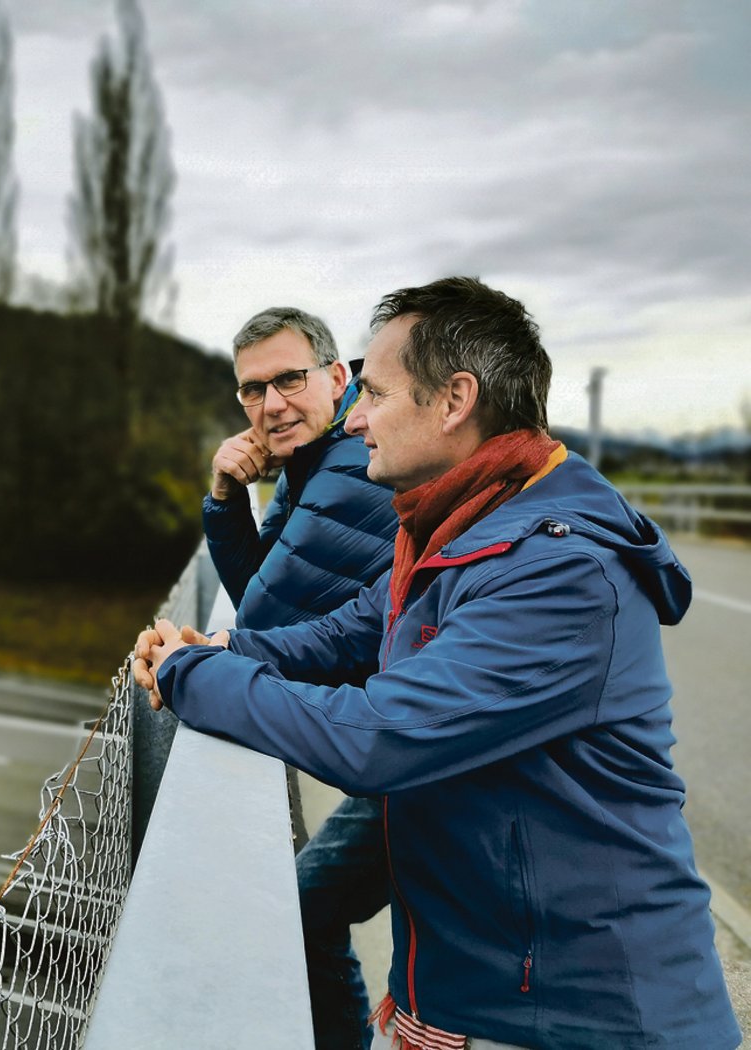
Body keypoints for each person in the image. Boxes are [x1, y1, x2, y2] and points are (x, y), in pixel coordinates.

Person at [135, 277, 741, 1049]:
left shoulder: (560, 571)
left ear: (454, 400)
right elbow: (350, 632)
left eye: (374, 393)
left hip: (589, 1019)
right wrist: (221, 649)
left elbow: (379, 737)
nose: (356, 418)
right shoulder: (453, 524)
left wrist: (193, 676)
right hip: (495, 991)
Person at [203, 305, 396, 1050]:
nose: (271, 404)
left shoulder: (350, 466)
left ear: (338, 377)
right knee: (315, 907)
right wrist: (227, 498)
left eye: (289, 380)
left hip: (431, 748)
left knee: (304, 907)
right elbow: (264, 592)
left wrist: (201, 658)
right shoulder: (314, 460)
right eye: (252, 390)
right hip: (402, 726)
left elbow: (263, 615)